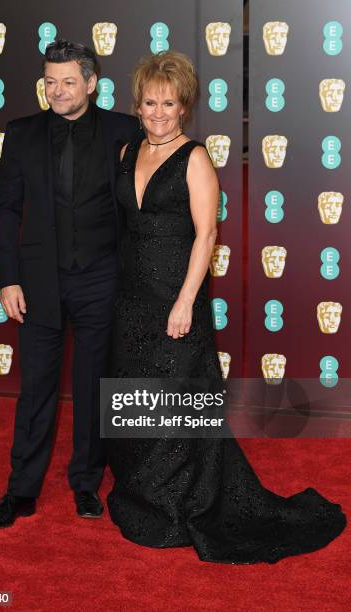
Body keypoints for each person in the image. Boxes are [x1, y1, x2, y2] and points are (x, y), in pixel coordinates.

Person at [106, 51, 346, 563]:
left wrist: (186, 301)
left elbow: (207, 234)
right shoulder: (128, 152)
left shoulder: (194, 157)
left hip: (176, 295)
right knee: (134, 397)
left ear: (184, 105)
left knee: (178, 401)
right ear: (138, 104)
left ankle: (178, 503)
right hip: (131, 299)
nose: (158, 112)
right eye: (150, 102)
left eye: (168, 103)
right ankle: (143, 496)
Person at [0, 40, 139, 528]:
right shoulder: (21, 133)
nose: (58, 91)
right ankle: (21, 491)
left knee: (94, 387)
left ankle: (87, 484)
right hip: (38, 282)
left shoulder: (124, 129)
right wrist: (7, 280)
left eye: (69, 81)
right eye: (50, 81)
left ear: (91, 83)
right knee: (36, 390)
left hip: (101, 279)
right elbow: (6, 210)